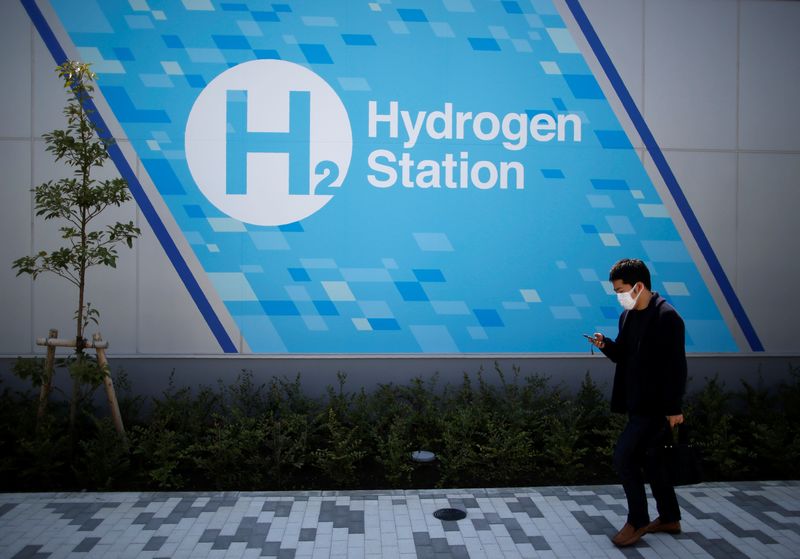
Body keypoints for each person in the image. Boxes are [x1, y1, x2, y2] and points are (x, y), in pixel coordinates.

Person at [587, 258, 687, 548]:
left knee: (624, 458)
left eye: (621, 289)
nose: (619, 295)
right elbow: (624, 355)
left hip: (656, 409)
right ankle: (669, 517)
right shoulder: (628, 316)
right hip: (635, 403)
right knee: (654, 462)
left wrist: (674, 408)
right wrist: (606, 344)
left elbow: (676, 367)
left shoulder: (667, 317)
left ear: (639, 286)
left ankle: (638, 520)